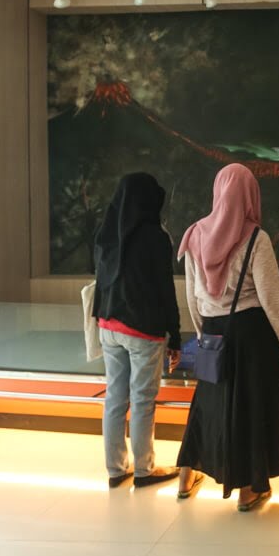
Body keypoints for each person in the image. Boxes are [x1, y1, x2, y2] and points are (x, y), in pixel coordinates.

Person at [175, 163, 279, 510]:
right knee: (250, 407)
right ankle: (248, 491)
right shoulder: (256, 239)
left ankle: (186, 477)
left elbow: (192, 295)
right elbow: (270, 297)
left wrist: (204, 335)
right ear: (250, 195)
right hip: (252, 336)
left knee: (207, 405)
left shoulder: (195, 233)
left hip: (214, 332)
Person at [92, 172, 182, 489]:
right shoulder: (155, 238)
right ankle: (144, 469)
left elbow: (101, 283)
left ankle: (116, 469)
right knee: (143, 400)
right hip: (143, 331)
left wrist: (98, 318)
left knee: (115, 398)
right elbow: (165, 290)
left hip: (108, 326)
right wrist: (176, 335)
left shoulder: (106, 234)